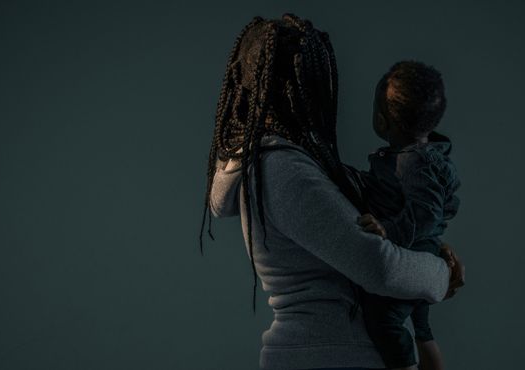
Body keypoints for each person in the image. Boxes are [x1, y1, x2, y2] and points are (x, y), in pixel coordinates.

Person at [198, 14, 465, 370]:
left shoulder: (294, 163)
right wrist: (439, 274)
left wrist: (421, 239)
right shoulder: (282, 169)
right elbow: (379, 267)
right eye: (317, 77)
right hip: (328, 354)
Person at [355, 61, 460, 370]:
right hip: (421, 248)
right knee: (422, 328)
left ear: (381, 120)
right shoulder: (415, 158)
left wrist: (388, 230)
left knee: (383, 321)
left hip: (413, 251)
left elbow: (426, 214)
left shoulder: (414, 164)